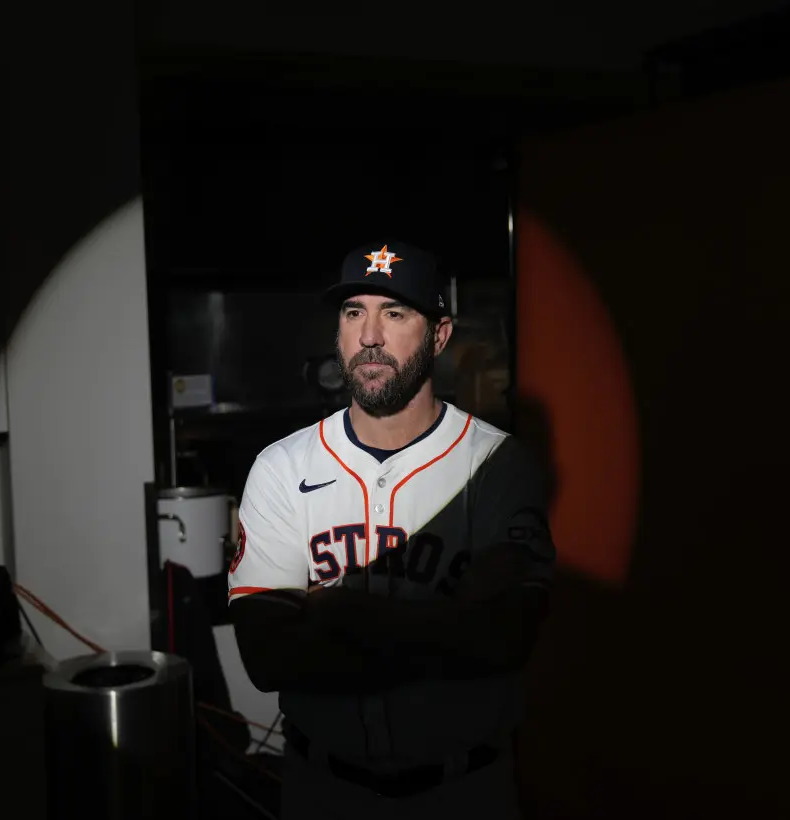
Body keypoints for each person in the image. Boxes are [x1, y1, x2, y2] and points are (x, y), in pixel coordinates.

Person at [227, 240, 555, 820]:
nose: (369, 335)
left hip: (464, 793)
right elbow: (266, 657)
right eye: (354, 312)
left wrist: (341, 613)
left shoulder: (499, 464)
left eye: (395, 312)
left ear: (440, 335)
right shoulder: (282, 466)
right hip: (323, 790)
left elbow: (506, 642)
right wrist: (451, 622)